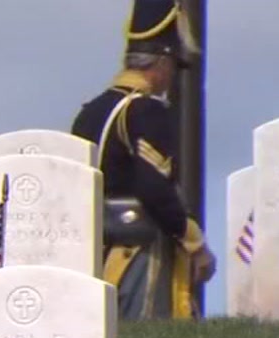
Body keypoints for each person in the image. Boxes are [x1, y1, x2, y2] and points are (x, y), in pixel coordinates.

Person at [69, 0, 213, 320]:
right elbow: (154, 189)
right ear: (161, 63)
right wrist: (193, 240)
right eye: (172, 64)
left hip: (92, 248)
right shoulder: (146, 111)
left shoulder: (90, 113)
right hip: (136, 248)